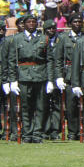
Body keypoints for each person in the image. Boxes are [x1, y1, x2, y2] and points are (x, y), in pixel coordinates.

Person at [8, 14, 51, 143]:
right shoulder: (16, 39)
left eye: (34, 22)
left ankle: (37, 133)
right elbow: (12, 60)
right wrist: (13, 80)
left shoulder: (44, 38)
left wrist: (50, 79)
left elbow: (49, 60)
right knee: (25, 107)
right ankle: (27, 133)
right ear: (24, 24)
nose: (31, 24)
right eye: (29, 22)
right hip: (23, 76)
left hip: (40, 75)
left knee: (40, 106)